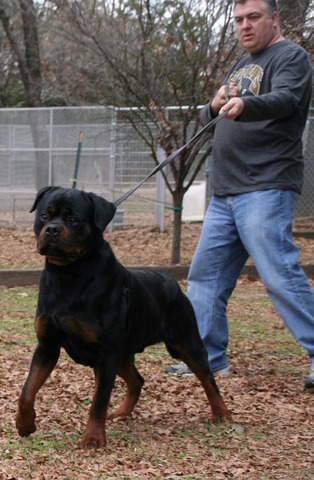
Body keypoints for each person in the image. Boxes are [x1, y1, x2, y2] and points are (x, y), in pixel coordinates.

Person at [166, 0, 314, 390]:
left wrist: (244, 104)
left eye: (253, 18)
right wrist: (211, 106)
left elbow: (285, 100)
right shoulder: (240, 63)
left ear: (274, 19)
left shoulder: (291, 56)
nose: (244, 27)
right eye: (238, 20)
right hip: (226, 191)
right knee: (205, 277)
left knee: (278, 273)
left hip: (265, 184)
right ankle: (209, 358)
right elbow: (213, 113)